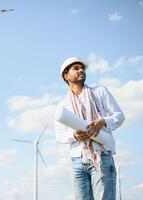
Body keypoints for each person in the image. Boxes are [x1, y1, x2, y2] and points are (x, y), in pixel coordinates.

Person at [54, 57, 125, 200]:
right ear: (66, 76)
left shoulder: (100, 92)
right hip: (77, 160)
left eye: (82, 68)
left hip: (102, 156)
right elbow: (59, 135)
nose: (81, 70)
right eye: (76, 68)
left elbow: (119, 116)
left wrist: (103, 121)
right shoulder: (62, 105)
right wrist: (75, 136)